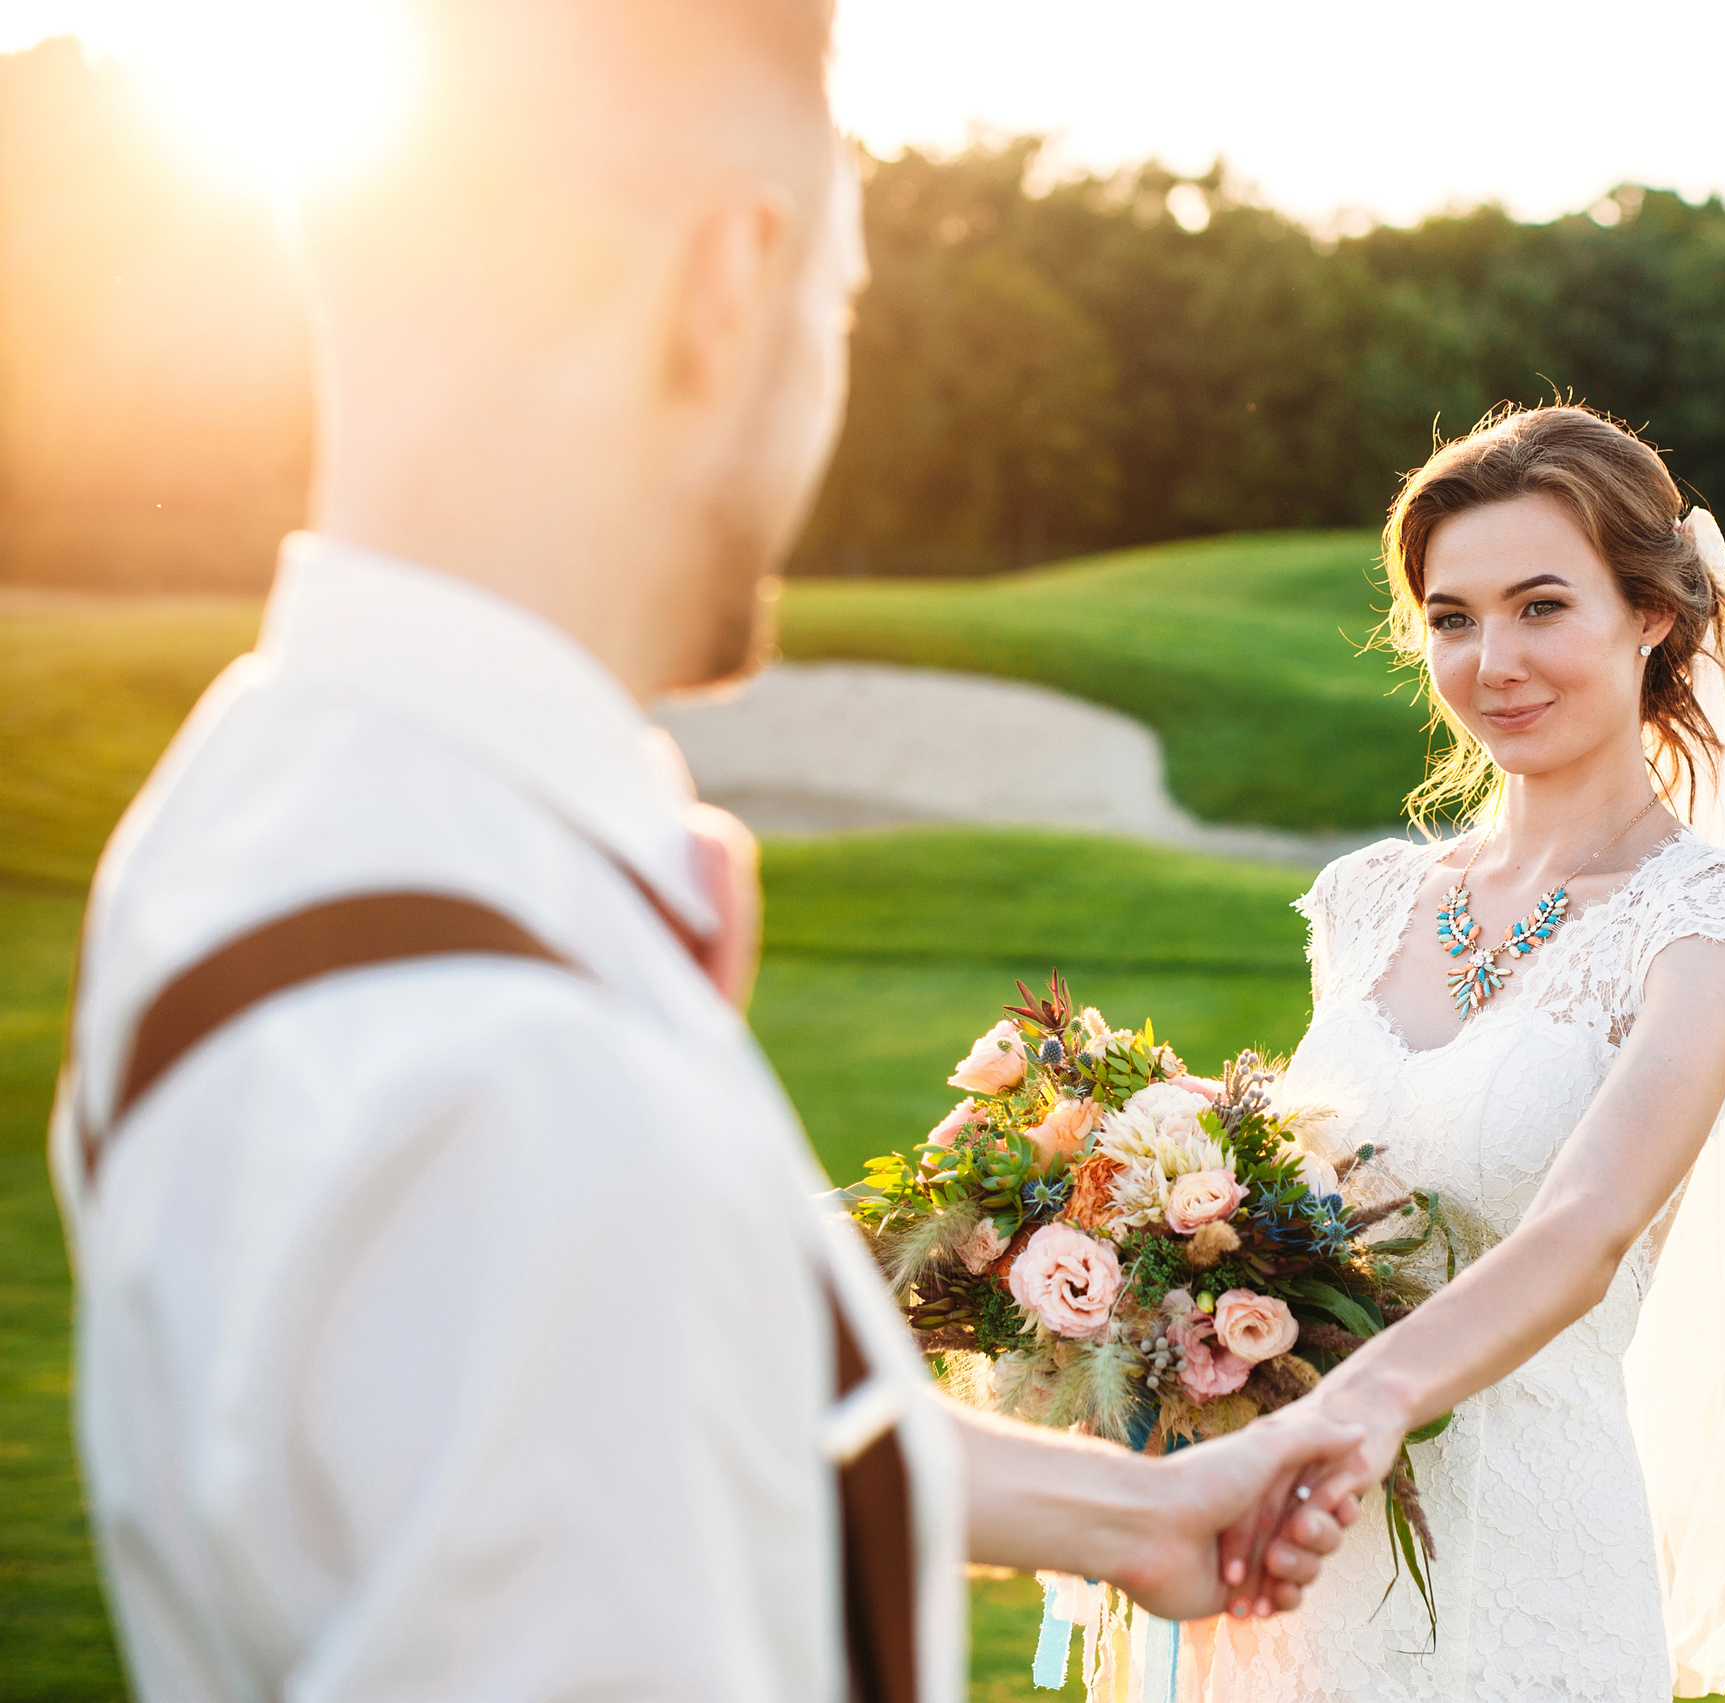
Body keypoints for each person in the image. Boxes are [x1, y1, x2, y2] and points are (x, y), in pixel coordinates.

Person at [47, 5, 1352, 1700]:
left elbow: (618, 1411)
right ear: (733, 281)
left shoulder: (256, 817)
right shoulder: (535, 1081)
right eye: (845, 307)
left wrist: (1134, 1510)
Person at [1208, 403, 1725, 1698]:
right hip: (1303, 1548)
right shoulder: (1367, 903)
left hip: (1522, 1562)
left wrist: (1351, 1414)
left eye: (1543, 605)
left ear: (1652, 614)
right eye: (1452, 616)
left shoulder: (1709, 918)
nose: (1494, 659)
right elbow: (1284, 1206)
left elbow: (1583, 1231)